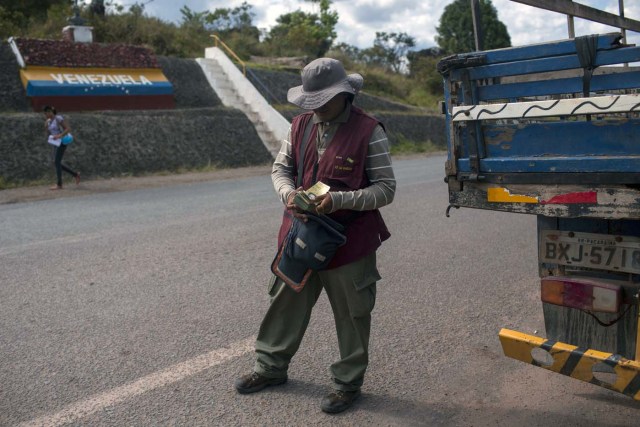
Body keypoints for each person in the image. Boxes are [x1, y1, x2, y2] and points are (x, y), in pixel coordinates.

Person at [235, 58, 396, 414]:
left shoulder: (369, 130)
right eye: (311, 101)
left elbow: (386, 189)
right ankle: (270, 368)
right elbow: (280, 170)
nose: (316, 108)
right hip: (300, 233)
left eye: (323, 100)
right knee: (284, 301)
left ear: (344, 94)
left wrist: (338, 199)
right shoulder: (299, 126)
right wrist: (288, 193)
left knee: (353, 313)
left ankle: (347, 383)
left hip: (349, 241)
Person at [44, 105, 80, 190]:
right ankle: (75, 175)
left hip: (62, 141)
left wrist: (59, 135)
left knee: (56, 162)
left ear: (52, 112)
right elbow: (48, 134)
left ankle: (59, 184)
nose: (47, 114)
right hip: (56, 142)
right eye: (46, 112)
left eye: (49, 112)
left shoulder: (58, 118)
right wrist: (46, 126)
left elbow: (68, 129)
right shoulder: (49, 121)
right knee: (57, 163)